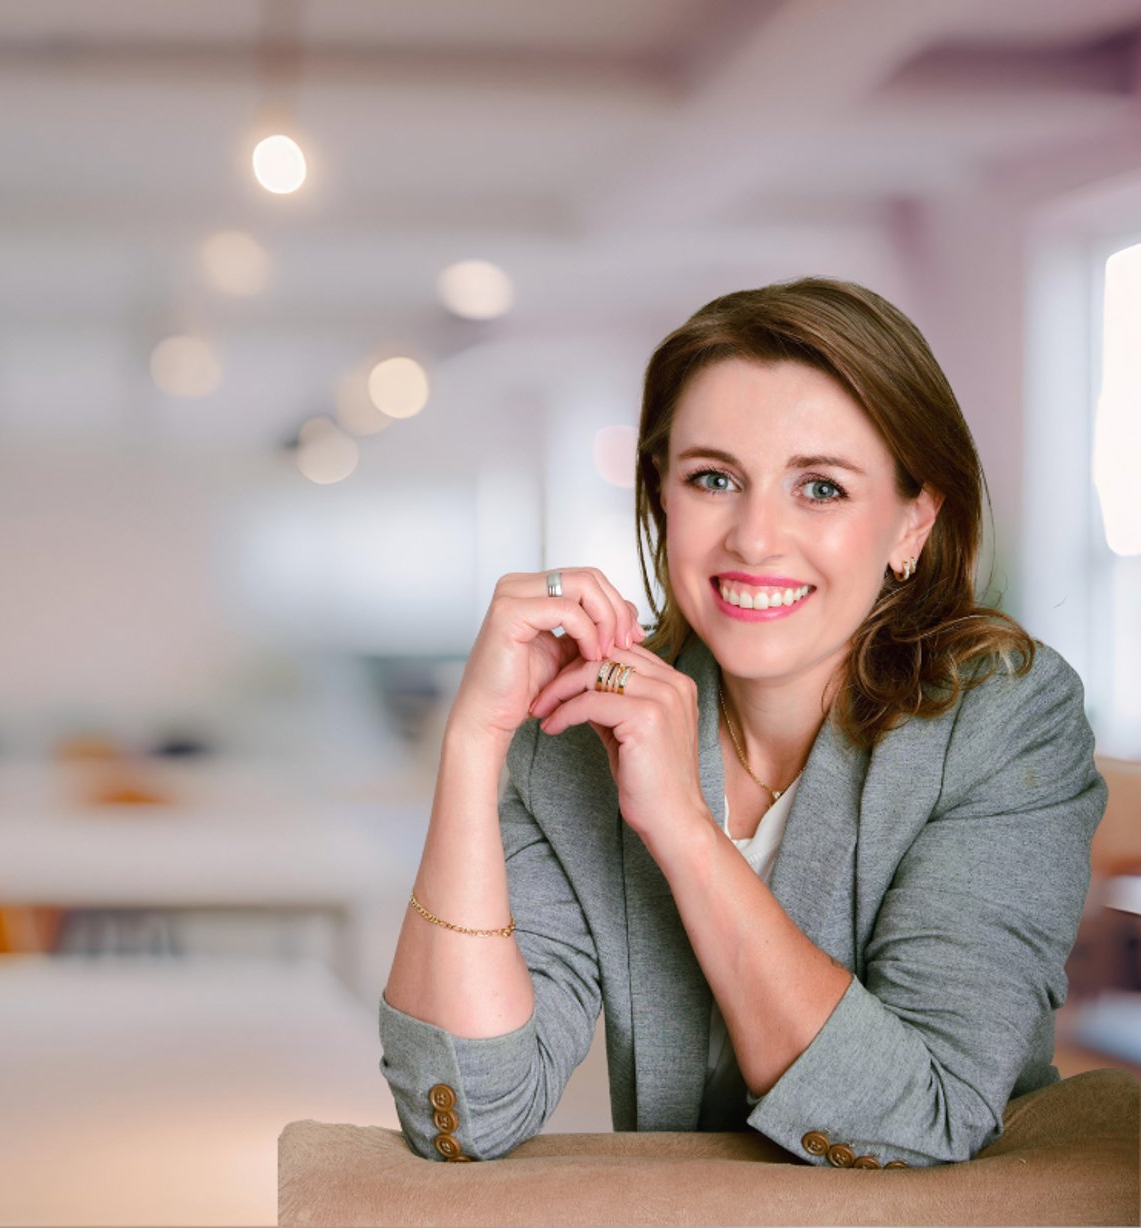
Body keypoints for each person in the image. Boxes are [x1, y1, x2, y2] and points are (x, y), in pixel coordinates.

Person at [379, 277, 1108, 1169]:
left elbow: (921, 1117)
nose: (755, 539)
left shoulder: (1006, 722)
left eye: (822, 488)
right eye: (714, 478)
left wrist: (684, 830)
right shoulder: (578, 723)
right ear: (662, 498)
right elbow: (467, 1115)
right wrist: (475, 741)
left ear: (912, 524)